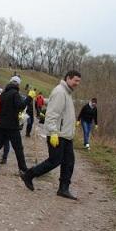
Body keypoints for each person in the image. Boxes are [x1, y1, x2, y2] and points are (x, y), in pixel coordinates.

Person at [21, 70, 82, 200]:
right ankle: (29, 175)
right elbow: (51, 115)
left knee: (69, 162)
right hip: (58, 135)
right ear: (68, 78)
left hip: (65, 135)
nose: (77, 83)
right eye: (76, 80)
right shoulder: (60, 92)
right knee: (54, 161)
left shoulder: (67, 92)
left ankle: (63, 188)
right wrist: (53, 132)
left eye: (79, 81)